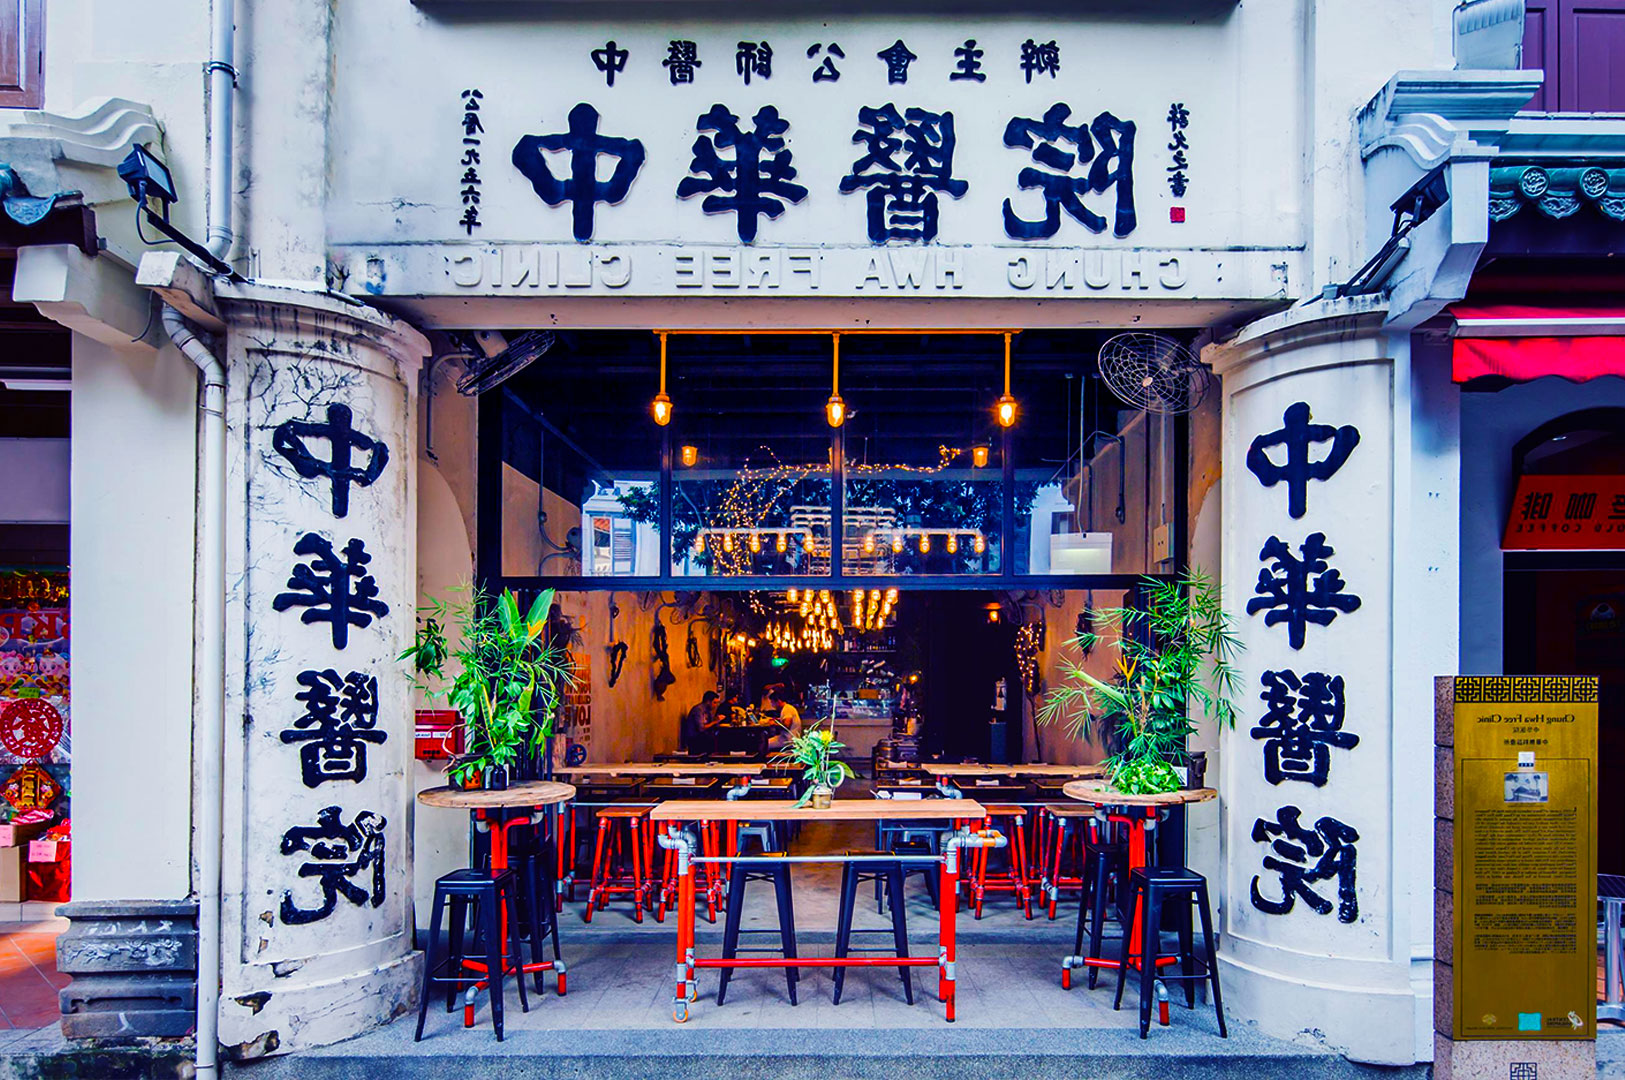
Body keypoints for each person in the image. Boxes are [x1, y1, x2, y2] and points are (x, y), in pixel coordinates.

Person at [763, 687, 803, 751]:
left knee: (763, 744)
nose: (772, 705)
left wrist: (774, 724)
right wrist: (778, 720)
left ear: (778, 701)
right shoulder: (787, 708)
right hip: (788, 738)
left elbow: (786, 726)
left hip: (788, 740)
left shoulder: (786, 709)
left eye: (772, 702)